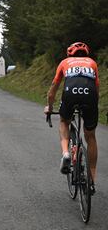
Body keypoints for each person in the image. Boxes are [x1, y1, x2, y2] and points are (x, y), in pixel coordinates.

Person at [44, 42, 99, 193]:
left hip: (70, 95)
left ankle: (66, 153)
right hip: (90, 97)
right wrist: (93, 105)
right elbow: (97, 87)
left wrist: (49, 107)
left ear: (70, 54)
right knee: (90, 136)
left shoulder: (64, 63)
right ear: (86, 54)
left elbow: (52, 91)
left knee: (63, 121)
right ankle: (91, 180)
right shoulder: (92, 63)